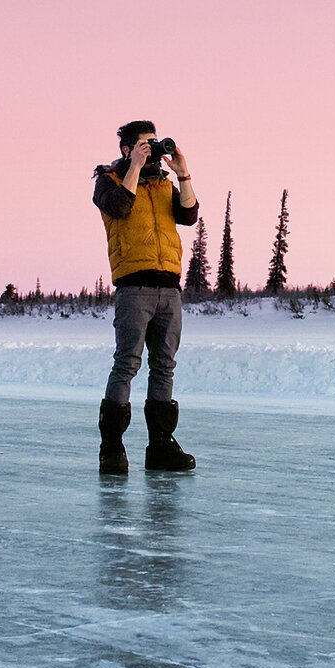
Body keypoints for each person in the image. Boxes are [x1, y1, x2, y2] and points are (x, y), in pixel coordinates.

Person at [92, 120, 199, 473]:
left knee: (164, 366)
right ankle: (112, 447)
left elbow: (189, 214)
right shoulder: (107, 184)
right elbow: (121, 208)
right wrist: (134, 167)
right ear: (127, 149)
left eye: (155, 144)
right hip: (133, 287)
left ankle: (160, 447)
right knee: (127, 363)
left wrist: (182, 173)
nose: (152, 150)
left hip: (169, 287)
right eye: (145, 145)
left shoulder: (164, 186)